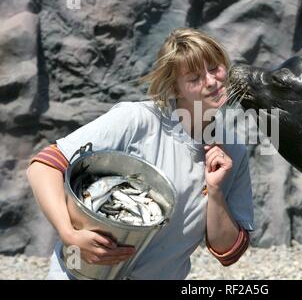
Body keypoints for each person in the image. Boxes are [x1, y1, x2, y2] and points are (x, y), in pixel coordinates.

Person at [26, 27, 254, 279]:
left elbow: (229, 252)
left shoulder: (233, 150)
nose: (211, 81)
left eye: (214, 67)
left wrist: (216, 193)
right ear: (175, 88)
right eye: (194, 78)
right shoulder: (137, 120)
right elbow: (44, 165)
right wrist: (69, 234)